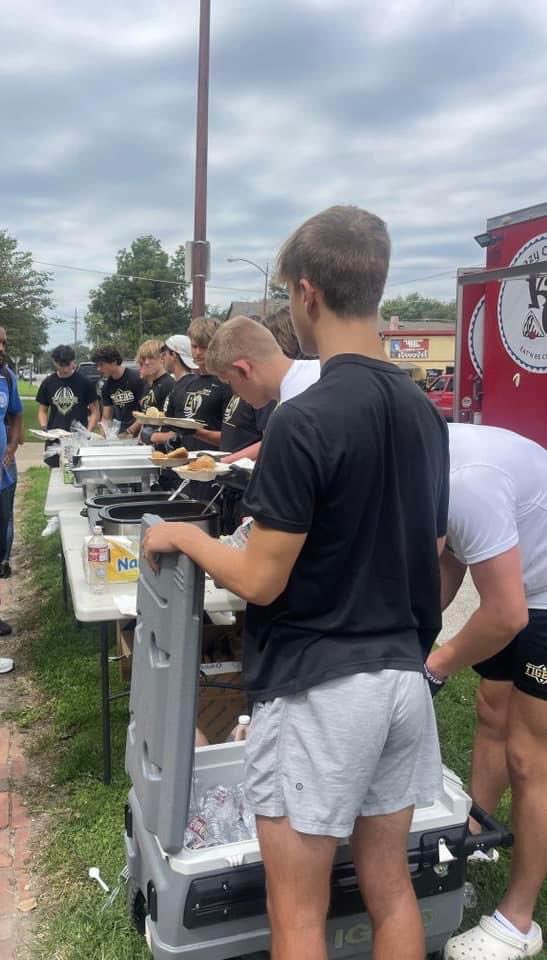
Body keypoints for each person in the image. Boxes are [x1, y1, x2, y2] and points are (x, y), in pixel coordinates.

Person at [143, 205, 449, 960]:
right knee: (389, 885)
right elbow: (431, 545)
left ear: (307, 293)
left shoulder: (302, 420)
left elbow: (260, 579)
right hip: (402, 680)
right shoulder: (422, 410)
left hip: (321, 688)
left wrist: (183, 535)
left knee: (298, 911)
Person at [426, 423, 546, 960]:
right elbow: (449, 557)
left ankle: (517, 921)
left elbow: (505, 615)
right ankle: (477, 837)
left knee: (530, 755)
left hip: (538, 597)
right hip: (516, 579)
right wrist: (412, 633)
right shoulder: (422, 460)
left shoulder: (465, 478)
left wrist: (435, 667)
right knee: (492, 710)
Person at [205, 315, 321, 464]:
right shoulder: (316, 374)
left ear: (244, 370)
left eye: (229, 381)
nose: (234, 392)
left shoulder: (298, 406)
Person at [36, 345, 100, 466]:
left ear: (73, 361)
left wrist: (87, 433)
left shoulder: (85, 383)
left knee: (77, 471)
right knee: (56, 474)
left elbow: (95, 411)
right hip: (55, 439)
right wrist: (44, 428)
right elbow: (42, 411)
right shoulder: (48, 383)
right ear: (55, 362)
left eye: (68, 365)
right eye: (61, 365)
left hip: (78, 439)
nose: (65, 369)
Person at [0, 327, 23, 582]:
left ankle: (3, 561)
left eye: (4, 343)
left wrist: (13, 445)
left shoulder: (7, 377)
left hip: (3, 466)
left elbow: (16, 413)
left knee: (4, 517)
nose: (1, 348)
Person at [148, 335, 198, 450]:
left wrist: (154, 436)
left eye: (164, 354)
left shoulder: (187, 386)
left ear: (174, 355)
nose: (162, 358)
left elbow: (183, 430)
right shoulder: (178, 384)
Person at [90, 345, 144, 435]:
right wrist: (103, 433)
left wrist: (129, 431)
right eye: (97, 365)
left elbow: (146, 413)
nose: (98, 369)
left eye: (101, 364)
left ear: (114, 362)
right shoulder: (106, 386)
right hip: (120, 432)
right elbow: (106, 417)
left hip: (139, 432)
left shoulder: (136, 378)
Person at [129, 340, 174, 443]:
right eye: (144, 359)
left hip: (162, 443)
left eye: (151, 357)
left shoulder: (168, 384)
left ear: (162, 358)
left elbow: (170, 420)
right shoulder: (147, 385)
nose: (146, 362)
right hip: (147, 441)